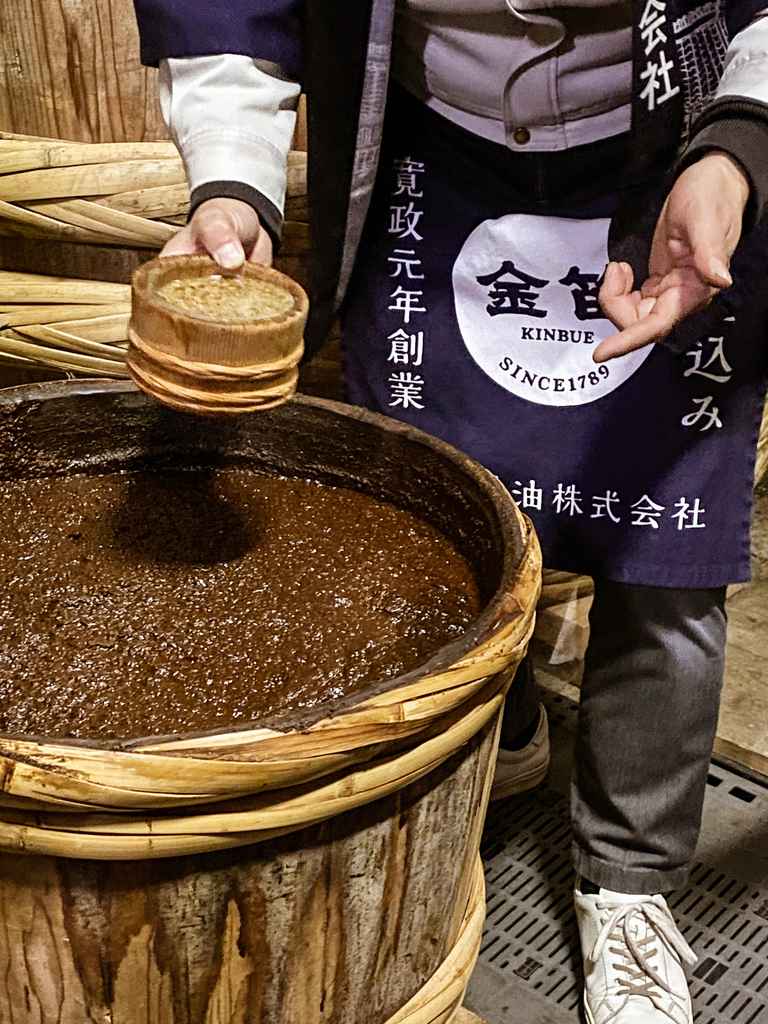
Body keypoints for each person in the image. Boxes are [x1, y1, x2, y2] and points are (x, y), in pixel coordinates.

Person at [133, 3, 768, 1021]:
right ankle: (501, 728)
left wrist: (742, 143)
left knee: (663, 553)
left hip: (674, 151)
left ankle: (632, 888)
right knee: (429, 527)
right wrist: (233, 177)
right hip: (436, 146)